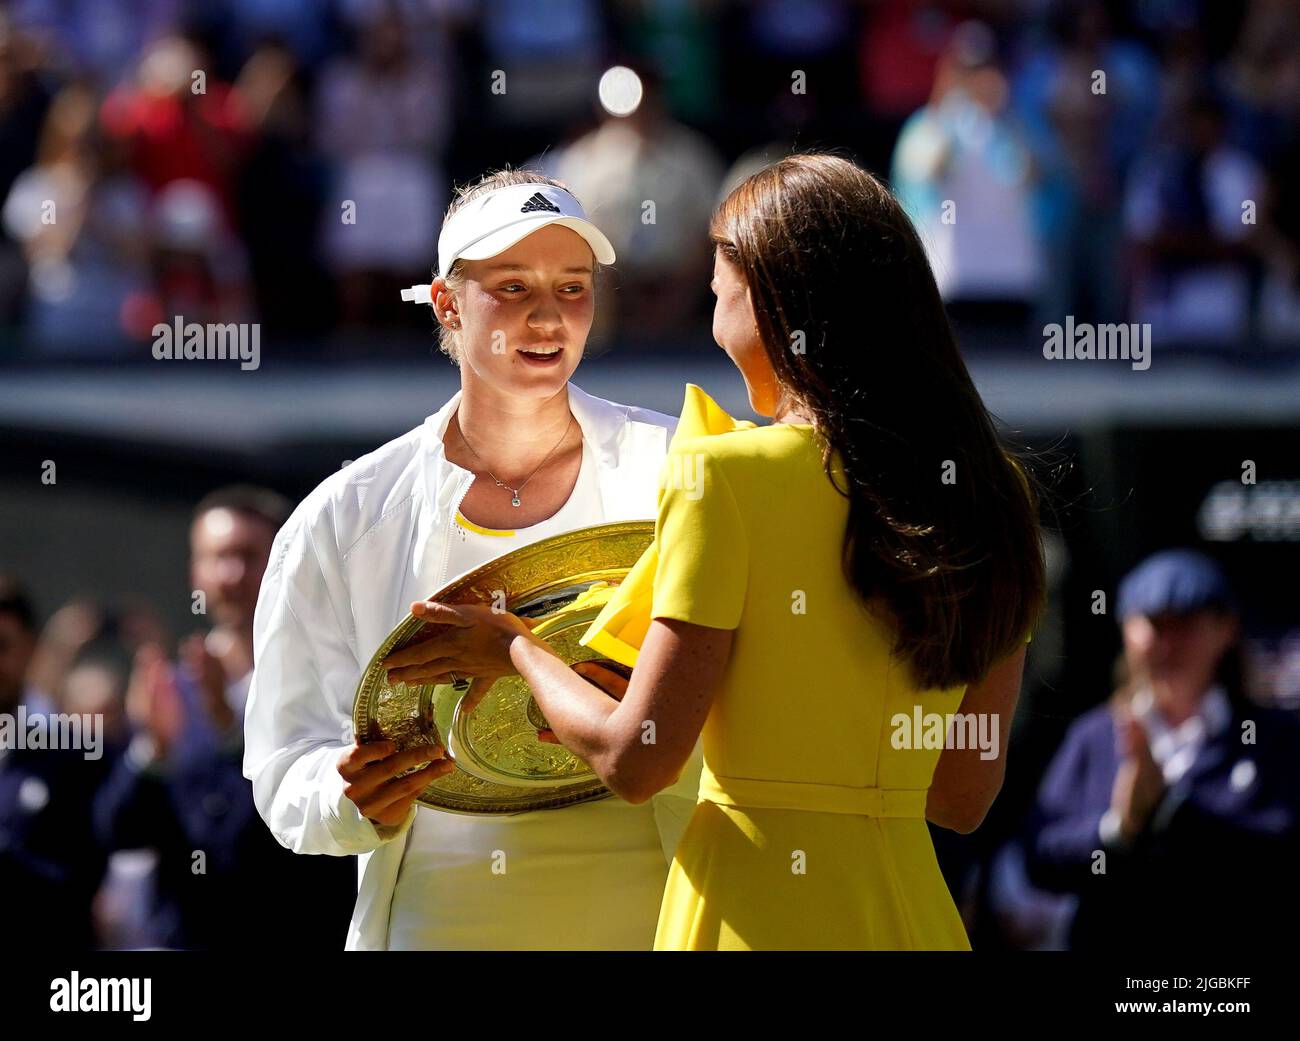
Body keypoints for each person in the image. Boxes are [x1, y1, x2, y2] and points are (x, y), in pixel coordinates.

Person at [397, 153, 1046, 949]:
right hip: (912, 916)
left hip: (749, 914)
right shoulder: (993, 489)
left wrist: (519, 650)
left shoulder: (722, 474)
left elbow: (635, 760)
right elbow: (962, 793)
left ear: (769, 304)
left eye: (718, 292)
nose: (711, 317)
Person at [244, 169, 703, 951]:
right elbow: (285, 763)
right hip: (443, 920)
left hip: (658, 909)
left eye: (572, 287)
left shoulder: (683, 469)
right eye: (514, 286)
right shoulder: (342, 516)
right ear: (447, 303)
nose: (548, 316)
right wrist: (352, 795)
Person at [96, 486, 356, 948]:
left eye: (248, 556)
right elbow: (119, 832)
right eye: (216, 557)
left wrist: (230, 731)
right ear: (195, 571)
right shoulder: (171, 689)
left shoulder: (334, 686)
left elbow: (310, 839)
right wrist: (152, 752)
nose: (230, 575)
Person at [1023, 549, 1300, 949]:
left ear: (1226, 628)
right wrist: (1117, 829)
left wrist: (1167, 810)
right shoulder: (1096, 736)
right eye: (1154, 624)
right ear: (1126, 630)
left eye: (1185, 624)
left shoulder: (1276, 741)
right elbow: (1041, 858)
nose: (1167, 644)